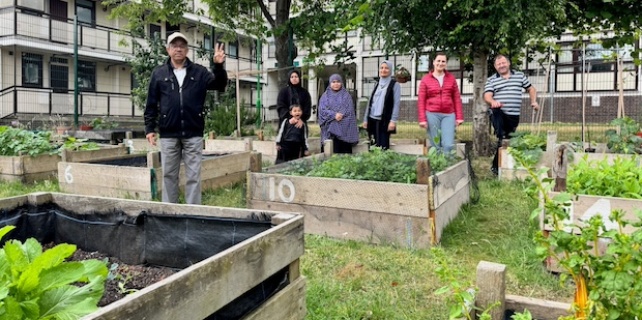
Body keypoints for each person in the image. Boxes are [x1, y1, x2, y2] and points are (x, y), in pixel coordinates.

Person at [144, 32, 228, 204]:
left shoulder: (199, 72)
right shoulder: (159, 74)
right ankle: (170, 211)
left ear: (187, 50)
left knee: (193, 176)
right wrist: (150, 129)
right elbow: (151, 102)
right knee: (168, 175)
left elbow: (220, 85)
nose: (178, 49)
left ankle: (192, 212)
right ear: (168, 50)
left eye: (182, 46)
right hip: (168, 133)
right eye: (174, 46)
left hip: (193, 132)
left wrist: (218, 66)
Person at [484, 54, 539, 175]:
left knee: (505, 141)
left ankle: (495, 168)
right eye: (498, 64)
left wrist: (534, 101)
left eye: (503, 63)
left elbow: (531, 89)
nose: (501, 66)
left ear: (508, 63)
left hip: (513, 116)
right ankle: (500, 133)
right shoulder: (492, 79)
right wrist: (493, 101)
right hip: (499, 113)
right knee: (496, 112)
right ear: (495, 67)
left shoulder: (519, 76)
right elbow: (487, 95)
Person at [417, 52, 464, 154]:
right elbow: (421, 100)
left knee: (448, 145)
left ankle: (449, 167)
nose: (440, 63)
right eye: (438, 61)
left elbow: (456, 98)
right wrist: (422, 119)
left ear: (446, 63)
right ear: (434, 62)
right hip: (432, 114)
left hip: (448, 115)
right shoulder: (425, 79)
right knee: (435, 145)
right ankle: (438, 167)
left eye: (443, 61)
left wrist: (459, 116)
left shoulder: (451, 79)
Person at [362, 60, 401, 149]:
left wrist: (393, 121)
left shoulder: (395, 85)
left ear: (390, 70)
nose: (383, 70)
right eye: (381, 68)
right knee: (372, 146)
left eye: (386, 68)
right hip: (372, 119)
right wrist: (365, 120)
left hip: (384, 121)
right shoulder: (376, 84)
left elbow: (396, 104)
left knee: (383, 147)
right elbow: (370, 102)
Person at [318, 74, 360, 154]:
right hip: (329, 132)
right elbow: (322, 111)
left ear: (341, 83)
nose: (336, 84)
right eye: (333, 82)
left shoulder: (346, 96)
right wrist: (334, 115)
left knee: (345, 157)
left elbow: (349, 111)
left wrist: (340, 116)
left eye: (338, 82)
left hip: (345, 131)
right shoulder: (325, 96)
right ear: (330, 83)